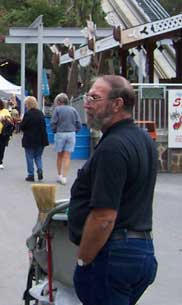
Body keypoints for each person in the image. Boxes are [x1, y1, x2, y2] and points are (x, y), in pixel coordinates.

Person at [68, 75, 158, 305]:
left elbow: (104, 217)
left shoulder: (113, 147)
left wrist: (83, 259)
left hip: (114, 254)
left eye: (94, 98)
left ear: (117, 104)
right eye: (87, 97)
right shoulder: (142, 139)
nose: (86, 104)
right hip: (140, 251)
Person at [51, 92, 82, 185]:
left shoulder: (57, 110)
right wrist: (75, 131)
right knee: (67, 156)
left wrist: (55, 130)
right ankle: (64, 176)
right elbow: (79, 123)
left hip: (60, 133)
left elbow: (53, 122)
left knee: (59, 155)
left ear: (60, 101)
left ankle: (59, 175)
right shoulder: (73, 110)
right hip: (71, 133)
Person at [19, 96, 49, 182]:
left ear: (27, 104)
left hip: (30, 139)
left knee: (29, 157)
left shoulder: (28, 114)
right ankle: (39, 169)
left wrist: (21, 123)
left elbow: (22, 126)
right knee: (38, 156)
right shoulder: (40, 113)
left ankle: (31, 175)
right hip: (41, 139)